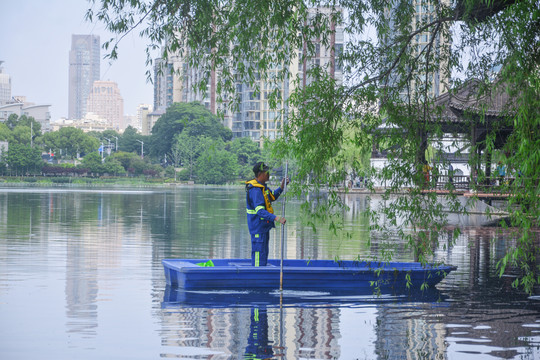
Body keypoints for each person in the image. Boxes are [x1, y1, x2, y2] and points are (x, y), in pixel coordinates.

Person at [245, 162, 288, 267]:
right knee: (258, 254)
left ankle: (262, 273)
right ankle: (256, 277)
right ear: (260, 173)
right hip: (257, 227)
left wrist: (281, 187)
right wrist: (276, 218)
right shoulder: (255, 189)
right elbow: (260, 211)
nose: (269, 174)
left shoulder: (262, 187)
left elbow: (272, 196)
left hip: (263, 227)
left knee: (263, 254)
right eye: (267, 172)